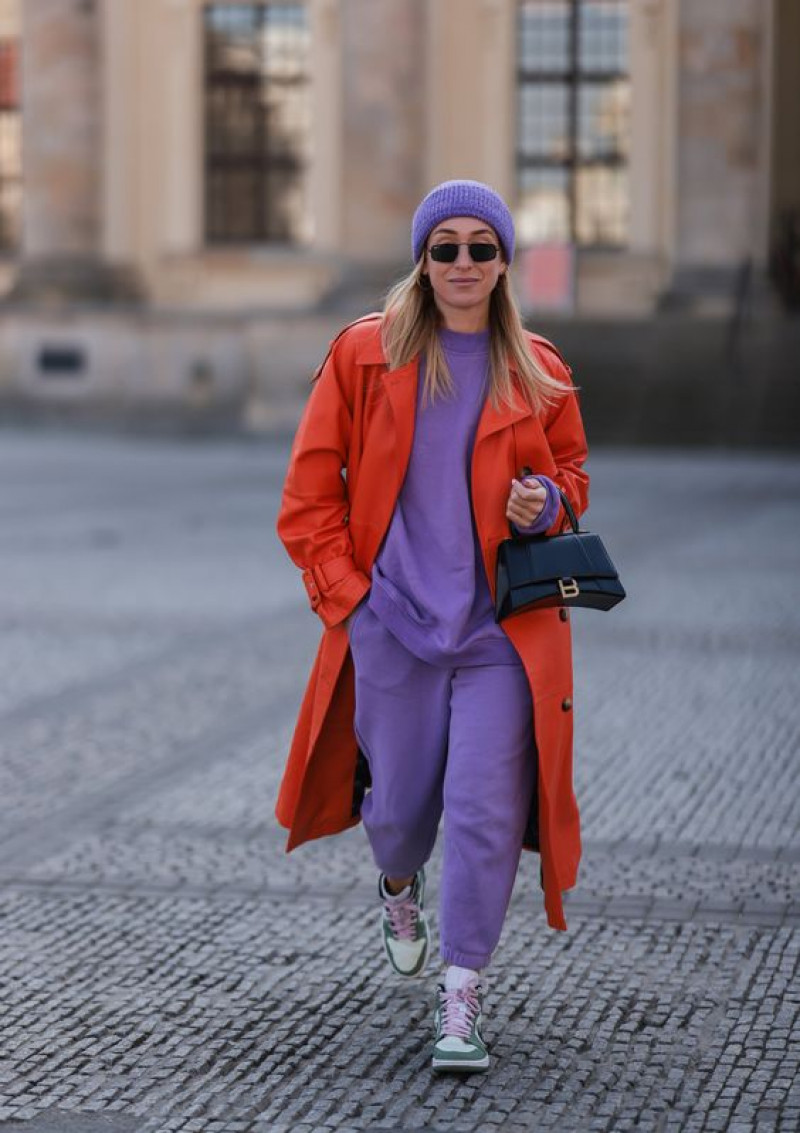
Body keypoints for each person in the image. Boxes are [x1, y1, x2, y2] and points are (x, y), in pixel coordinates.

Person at [275, 179, 589, 1073]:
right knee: (402, 812)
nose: (461, 263)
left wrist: (547, 504)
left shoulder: (539, 367)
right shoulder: (365, 356)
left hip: (501, 635)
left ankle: (462, 997)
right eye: (444, 246)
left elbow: (574, 478)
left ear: (502, 262)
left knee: (487, 814)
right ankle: (398, 881)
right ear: (422, 258)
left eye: (479, 248)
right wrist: (354, 602)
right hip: (395, 628)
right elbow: (307, 498)